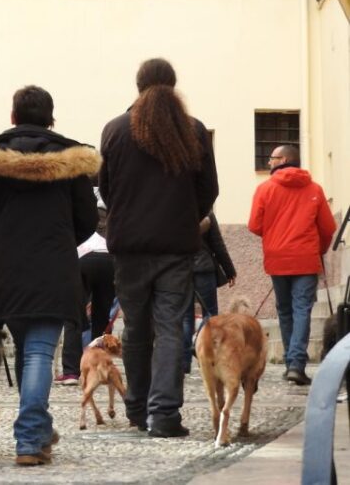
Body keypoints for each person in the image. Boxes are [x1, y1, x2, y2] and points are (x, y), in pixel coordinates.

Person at [0, 85, 99, 465]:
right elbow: (88, 221)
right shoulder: (71, 160)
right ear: (51, 118)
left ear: (13, 117)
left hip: (6, 270)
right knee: (39, 351)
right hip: (53, 268)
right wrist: (60, 238)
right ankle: (29, 440)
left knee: (28, 350)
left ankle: (39, 434)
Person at [99, 58, 218, 438]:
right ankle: (164, 415)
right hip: (176, 246)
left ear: (138, 87)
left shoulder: (115, 130)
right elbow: (208, 190)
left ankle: (136, 408)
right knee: (170, 328)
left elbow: (107, 189)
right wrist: (185, 217)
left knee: (136, 326)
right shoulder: (193, 131)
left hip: (129, 247)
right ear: (173, 85)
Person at [248, 144, 336, 385]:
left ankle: (291, 362)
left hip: (277, 258)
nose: (268, 163)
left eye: (272, 158)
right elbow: (328, 228)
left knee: (285, 310)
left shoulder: (265, 189)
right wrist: (319, 249)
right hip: (306, 259)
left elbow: (254, 225)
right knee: (301, 310)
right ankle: (296, 364)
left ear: (284, 159)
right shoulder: (314, 189)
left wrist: (275, 236)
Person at [57, 188, 115, 386]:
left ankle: (71, 371)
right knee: (102, 315)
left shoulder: (75, 196)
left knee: (74, 314)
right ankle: (100, 366)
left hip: (83, 257)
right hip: (110, 257)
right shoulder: (110, 196)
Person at [181, 213, 236, 375]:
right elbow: (217, 244)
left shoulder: (175, 208)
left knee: (186, 317)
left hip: (183, 270)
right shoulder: (206, 212)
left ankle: (184, 362)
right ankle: (210, 357)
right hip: (204, 269)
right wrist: (229, 270)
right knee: (210, 316)